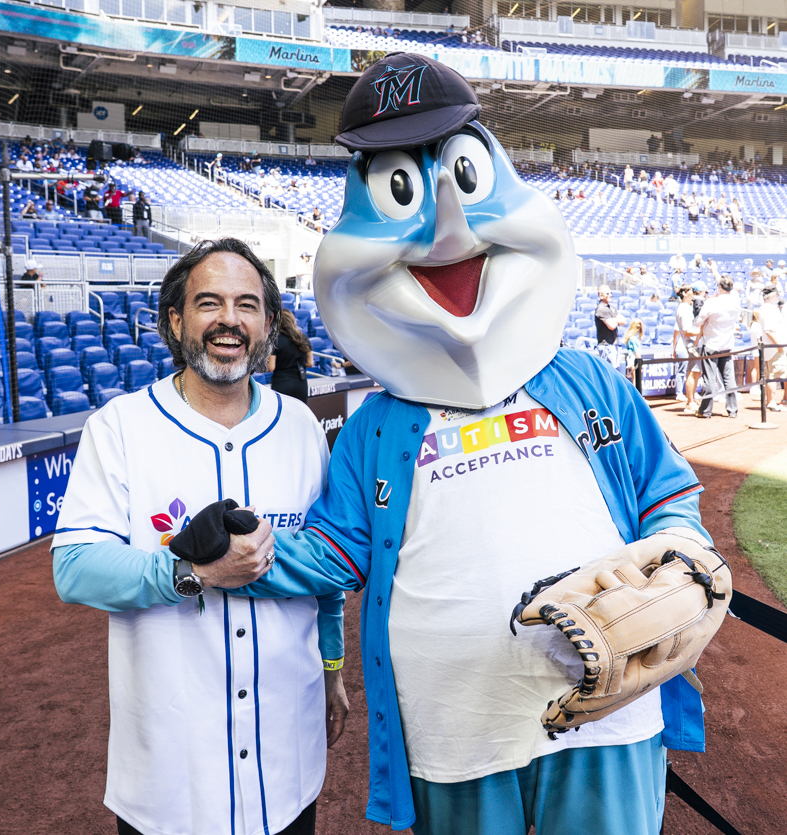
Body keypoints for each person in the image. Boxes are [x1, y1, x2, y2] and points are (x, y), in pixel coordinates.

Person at [210, 53, 717, 835]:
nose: (447, 227)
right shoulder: (377, 426)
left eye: (462, 177)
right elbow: (338, 551)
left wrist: (679, 554)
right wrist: (252, 551)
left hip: (606, 720)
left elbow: (665, 494)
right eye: (401, 188)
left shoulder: (584, 378)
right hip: (454, 735)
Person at [52, 238, 349, 835]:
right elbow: (75, 567)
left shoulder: (299, 427)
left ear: (267, 323)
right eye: (208, 303)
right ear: (176, 318)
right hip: (170, 772)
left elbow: (326, 573)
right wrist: (195, 574)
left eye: (246, 304)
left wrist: (333, 666)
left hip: (282, 761)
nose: (229, 320)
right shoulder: (120, 427)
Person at [694, 275, 740, 419]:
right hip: (726, 344)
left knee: (710, 380)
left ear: (720, 287)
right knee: (728, 378)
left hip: (712, 344)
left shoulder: (712, 302)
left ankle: (705, 410)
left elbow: (698, 322)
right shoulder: (735, 301)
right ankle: (732, 410)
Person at [267, 309, 314, 403]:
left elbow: (271, 367)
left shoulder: (275, 339)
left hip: (282, 383)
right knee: (299, 414)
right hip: (301, 383)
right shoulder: (302, 338)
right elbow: (310, 363)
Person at [673, 285, 702, 413]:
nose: (693, 293)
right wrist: (701, 332)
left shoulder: (686, 307)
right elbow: (687, 331)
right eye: (691, 291)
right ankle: (690, 402)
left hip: (694, 345)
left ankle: (692, 399)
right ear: (684, 293)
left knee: (696, 372)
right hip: (692, 345)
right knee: (692, 372)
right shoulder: (684, 308)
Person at [758, 286, 787, 411]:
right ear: (773, 296)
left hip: (771, 347)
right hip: (775, 348)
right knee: (775, 375)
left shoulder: (766, 308)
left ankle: (771, 401)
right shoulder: (770, 309)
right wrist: (779, 346)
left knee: (772, 374)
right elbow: (769, 330)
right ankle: (771, 402)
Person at [594, 284, 626, 365]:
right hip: (606, 345)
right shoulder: (601, 309)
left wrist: (614, 320)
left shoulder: (611, 308)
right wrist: (616, 319)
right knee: (609, 371)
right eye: (607, 294)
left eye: (610, 293)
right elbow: (612, 326)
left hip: (613, 344)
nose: (610, 295)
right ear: (601, 296)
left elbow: (623, 321)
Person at [624, 319, 644, 393]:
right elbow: (636, 353)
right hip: (634, 359)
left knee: (634, 378)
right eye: (637, 327)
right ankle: (637, 396)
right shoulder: (633, 339)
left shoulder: (631, 338)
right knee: (635, 378)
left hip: (631, 358)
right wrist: (640, 363)